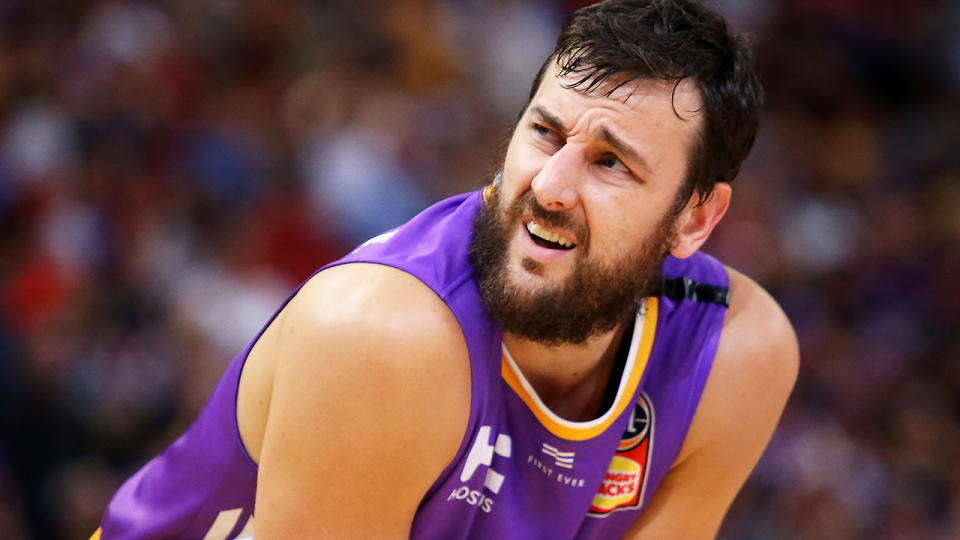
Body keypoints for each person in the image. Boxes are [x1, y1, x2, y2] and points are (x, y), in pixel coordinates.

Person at [92, 0, 798, 538]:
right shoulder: (380, 334)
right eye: (544, 133)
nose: (549, 186)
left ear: (695, 220)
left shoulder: (736, 353)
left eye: (610, 162)